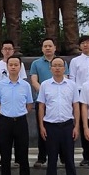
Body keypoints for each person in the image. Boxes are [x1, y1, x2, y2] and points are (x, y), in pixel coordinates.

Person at [37, 57, 81, 175]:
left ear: (64, 68)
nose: (57, 68)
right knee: (52, 161)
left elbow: (76, 106)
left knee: (69, 160)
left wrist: (76, 126)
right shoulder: (45, 85)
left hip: (67, 126)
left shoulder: (72, 85)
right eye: (54, 65)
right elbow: (41, 106)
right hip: (51, 126)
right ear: (50, 68)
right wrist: (42, 126)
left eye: (60, 66)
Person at [0, 54, 33, 175]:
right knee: (5, 158)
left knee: (23, 158)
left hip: (21, 122)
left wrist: (18, 113)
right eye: (11, 65)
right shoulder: (1, 85)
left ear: (20, 67)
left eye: (16, 65)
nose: (13, 67)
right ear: (7, 67)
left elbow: (29, 105)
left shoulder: (25, 85)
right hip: (5, 122)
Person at [29, 38, 69, 168]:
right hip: (42, 102)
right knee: (43, 129)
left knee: (61, 129)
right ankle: (42, 157)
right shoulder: (36, 63)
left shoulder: (62, 62)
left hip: (60, 102)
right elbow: (34, 81)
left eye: (50, 46)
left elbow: (66, 78)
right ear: (42, 48)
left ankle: (63, 157)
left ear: (55, 48)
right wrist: (46, 93)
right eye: (45, 46)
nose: (47, 48)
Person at [69, 35, 89, 167]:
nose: (85, 45)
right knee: (83, 123)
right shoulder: (75, 61)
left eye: (88, 43)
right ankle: (87, 156)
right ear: (79, 46)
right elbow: (72, 79)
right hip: (80, 93)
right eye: (83, 43)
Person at [0, 39, 16, 168]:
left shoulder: (18, 64)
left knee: (18, 135)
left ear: (13, 50)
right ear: (1, 51)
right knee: (3, 134)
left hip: (16, 105)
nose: (7, 51)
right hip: (2, 105)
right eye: (5, 49)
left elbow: (22, 82)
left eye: (9, 49)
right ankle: (4, 158)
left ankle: (18, 158)